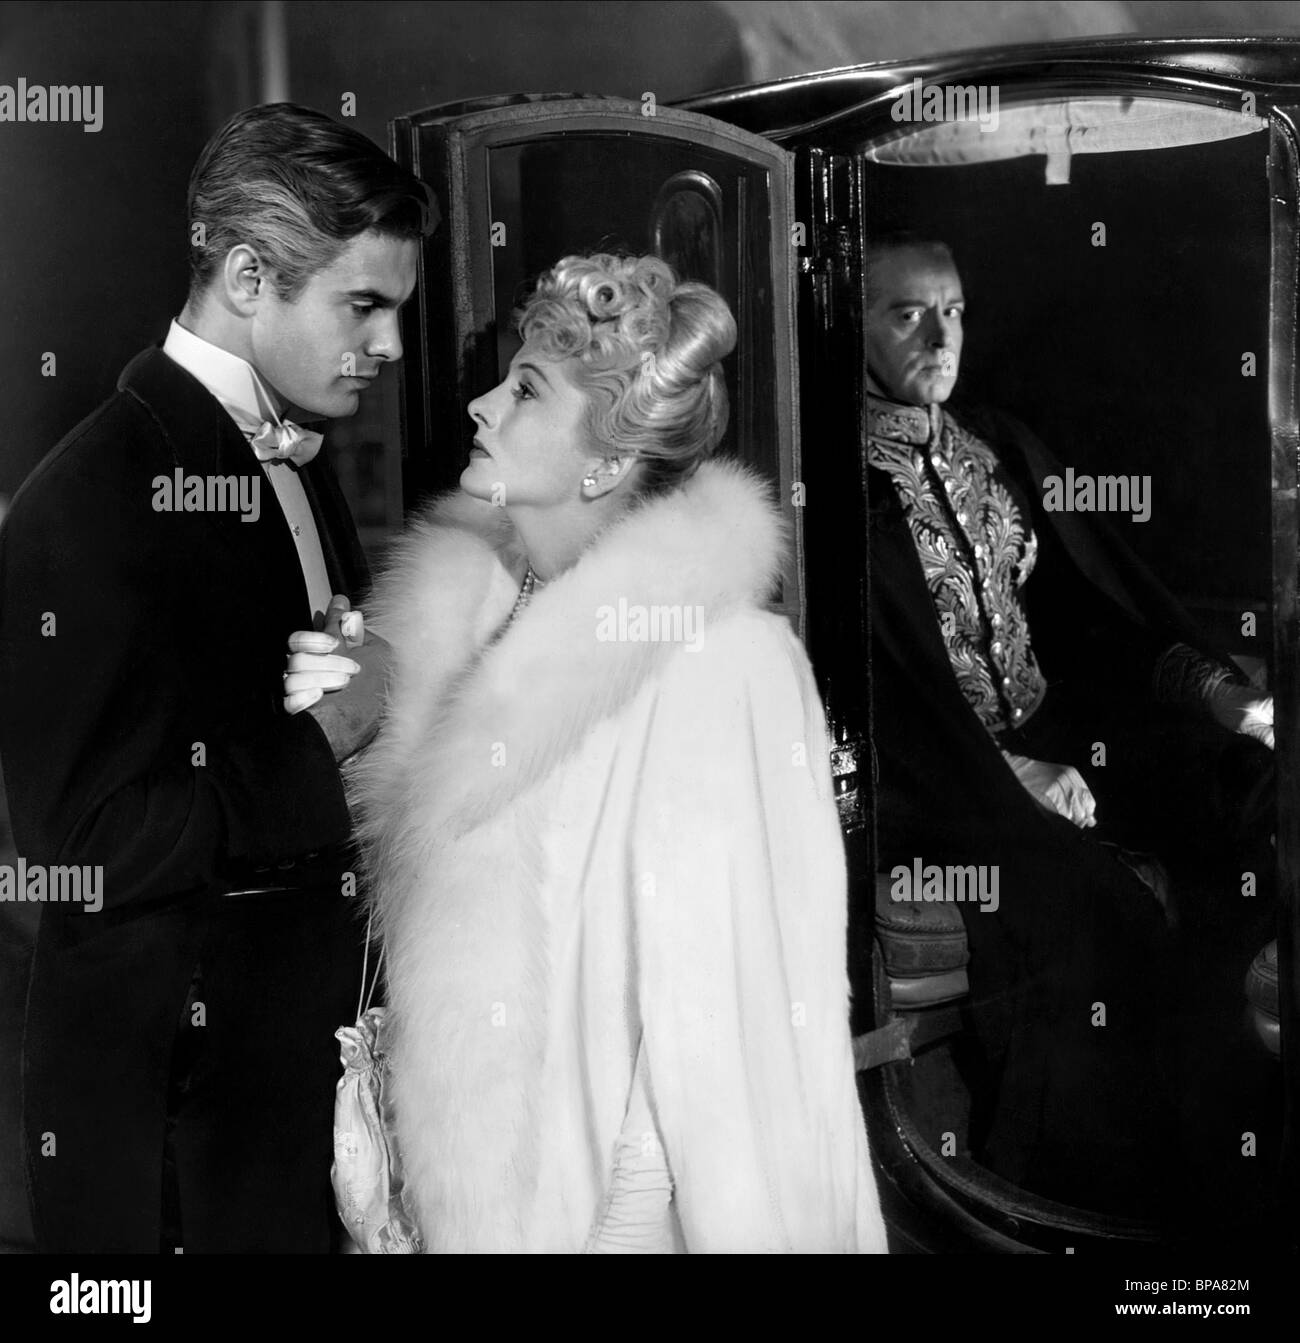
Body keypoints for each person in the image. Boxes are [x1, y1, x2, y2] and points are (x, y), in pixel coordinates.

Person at [352, 253, 886, 1252]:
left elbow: (734, 1027)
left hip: (612, 1206)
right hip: (462, 1192)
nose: (478, 404)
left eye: (523, 389)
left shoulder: (718, 663)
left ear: (603, 459)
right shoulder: (477, 617)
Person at [0, 103, 428, 1252]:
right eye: (363, 305)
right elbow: (76, 845)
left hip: (282, 1102)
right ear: (247, 275)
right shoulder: (85, 499)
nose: (387, 345)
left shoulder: (294, 450)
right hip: (165, 1127)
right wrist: (326, 740)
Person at [860, 232, 1275, 1213]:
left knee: (1244, 788)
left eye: (952, 309)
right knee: (1091, 909)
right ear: (854, 324)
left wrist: (1216, 694)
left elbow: (1096, 620)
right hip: (937, 778)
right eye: (905, 312)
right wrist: (1006, 771)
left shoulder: (996, 445)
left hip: (1057, 731)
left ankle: (1243, 1131)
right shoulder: (836, 489)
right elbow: (870, 697)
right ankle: (1086, 1205)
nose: (938, 333)